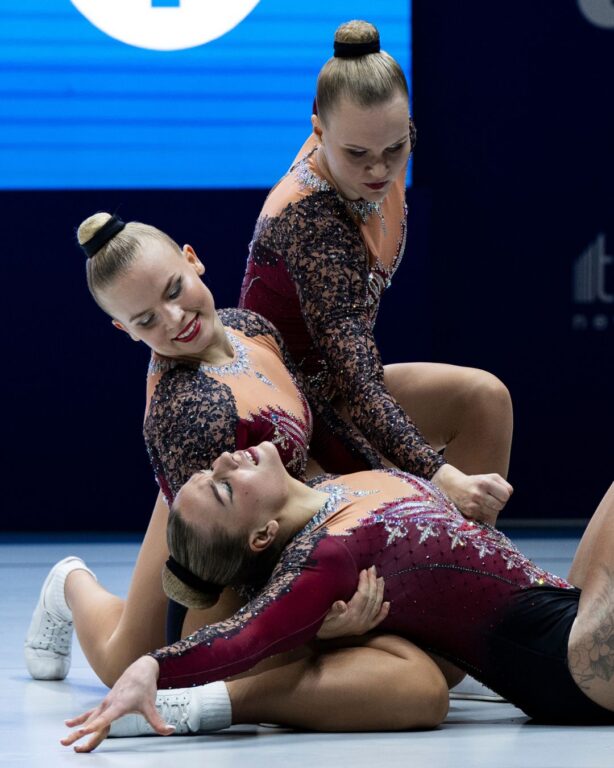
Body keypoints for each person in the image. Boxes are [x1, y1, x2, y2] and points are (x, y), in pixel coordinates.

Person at [25, 213, 453, 735]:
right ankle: (69, 583)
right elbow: (227, 559)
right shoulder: (189, 412)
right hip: (219, 548)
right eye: (146, 320)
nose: (174, 318)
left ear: (192, 259)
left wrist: (411, 494)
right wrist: (313, 616)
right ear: (125, 331)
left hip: (248, 508)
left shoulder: (248, 327)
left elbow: (323, 429)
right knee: (128, 663)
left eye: (175, 290)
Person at [62, 440, 614, 752]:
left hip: (572, 607)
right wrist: (153, 667)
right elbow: (246, 635)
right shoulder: (325, 557)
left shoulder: (333, 486)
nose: (226, 460)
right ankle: (69, 585)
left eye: (211, 470)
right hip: (574, 666)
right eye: (225, 488)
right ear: (262, 536)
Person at [240, 20, 514, 523]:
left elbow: (356, 385)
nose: (379, 171)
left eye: (395, 149)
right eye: (357, 155)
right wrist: (444, 477)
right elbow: (363, 387)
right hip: (277, 424)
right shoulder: (313, 224)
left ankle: (473, 559)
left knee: (483, 400)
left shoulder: (379, 141)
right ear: (318, 131)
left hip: (335, 395)